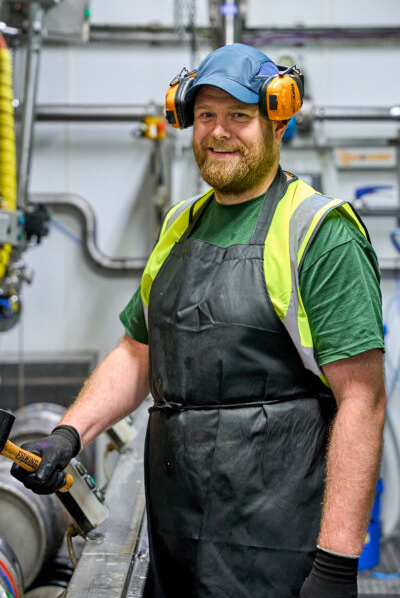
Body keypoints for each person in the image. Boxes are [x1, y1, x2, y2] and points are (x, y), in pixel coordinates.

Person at [11, 43, 386, 598]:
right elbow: (137, 351)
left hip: (279, 545)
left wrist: (335, 565)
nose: (218, 132)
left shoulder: (318, 232)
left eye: (239, 116)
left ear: (277, 121)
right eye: (206, 116)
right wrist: (69, 433)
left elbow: (364, 400)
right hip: (177, 537)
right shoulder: (179, 224)